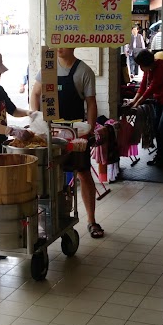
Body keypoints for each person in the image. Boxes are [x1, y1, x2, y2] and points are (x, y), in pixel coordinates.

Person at [30, 47, 104, 239]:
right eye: (56, 42)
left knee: (84, 173)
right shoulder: (48, 68)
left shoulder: (84, 71)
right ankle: (50, 217)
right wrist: (36, 119)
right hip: (50, 132)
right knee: (49, 175)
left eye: (64, 42)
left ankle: (91, 220)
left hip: (75, 132)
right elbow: (35, 94)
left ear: (73, 44)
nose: (59, 47)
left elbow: (91, 103)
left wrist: (89, 129)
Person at [127, 49, 163, 168]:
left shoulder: (161, 68)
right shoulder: (149, 68)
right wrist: (133, 101)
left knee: (162, 128)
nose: (140, 68)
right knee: (156, 128)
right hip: (161, 99)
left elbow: (151, 89)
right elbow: (142, 86)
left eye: (141, 65)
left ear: (146, 63)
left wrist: (137, 104)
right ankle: (160, 157)